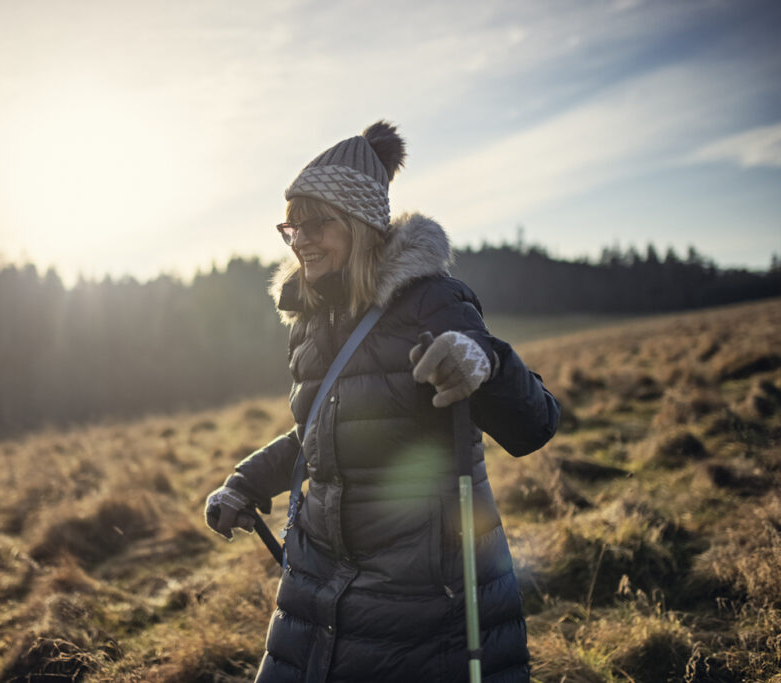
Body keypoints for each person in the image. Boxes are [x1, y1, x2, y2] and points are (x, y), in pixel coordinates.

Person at [204, 121, 560, 682]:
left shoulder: (431, 301)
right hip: (315, 587)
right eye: (291, 225)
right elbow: (319, 438)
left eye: (319, 221)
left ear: (364, 224)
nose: (301, 240)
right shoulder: (311, 323)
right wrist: (244, 482)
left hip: (423, 603)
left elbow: (533, 425)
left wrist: (483, 364)